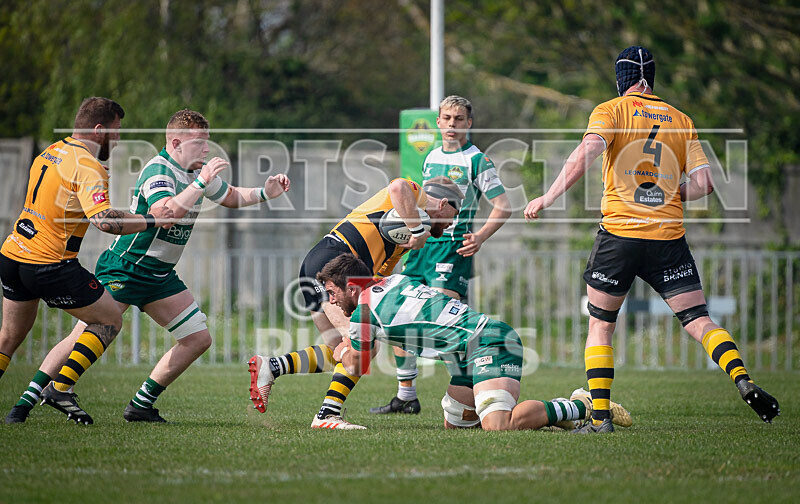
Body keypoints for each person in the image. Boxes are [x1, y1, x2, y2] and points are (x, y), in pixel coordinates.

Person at [523, 46, 780, 433]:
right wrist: (666, 191)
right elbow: (705, 184)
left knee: (601, 326)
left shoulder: (610, 110)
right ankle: (742, 378)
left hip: (620, 237)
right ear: (652, 79)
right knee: (699, 320)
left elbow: (586, 152)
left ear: (620, 80)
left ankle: (600, 418)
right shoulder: (681, 119)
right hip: (667, 239)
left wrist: (548, 196)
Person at [5, 109, 290, 424]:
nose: (207, 150)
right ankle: (25, 404)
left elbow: (232, 195)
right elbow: (165, 212)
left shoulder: (195, 172)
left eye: (207, 142)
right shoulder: (159, 170)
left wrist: (266, 192)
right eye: (200, 143)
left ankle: (140, 405)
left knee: (198, 338)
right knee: (84, 334)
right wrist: (201, 182)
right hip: (125, 267)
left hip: (159, 276)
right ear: (176, 142)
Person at [0, 97, 174, 423]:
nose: (119, 139)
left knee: (8, 338)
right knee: (109, 320)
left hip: (12, 255)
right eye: (116, 131)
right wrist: (151, 219)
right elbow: (105, 221)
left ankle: (21, 410)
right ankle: (61, 389)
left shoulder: (51, 151)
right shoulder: (87, 165)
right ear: (98, 130)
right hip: (50, 263)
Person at [318, 253, 631, 431]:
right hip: (464, 353)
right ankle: (548, 418)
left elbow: (357, 364)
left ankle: (582, 405)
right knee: (458, 425)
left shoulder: (364, 312)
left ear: (351, 287)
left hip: (489, 341)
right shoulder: (396, 279)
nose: (330, 300)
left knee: (498, 424)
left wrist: (341, 344)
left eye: (332, 292)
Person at [249, 176, 464, 429]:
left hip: (322, 262)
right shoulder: (417, 200)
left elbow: (378, 279)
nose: (451, 222)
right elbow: (397, 186)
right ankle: (326, 415)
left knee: (344, 352)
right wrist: (419, 231)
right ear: (444, 203)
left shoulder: (401, 242)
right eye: (454, 213)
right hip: (337, 261)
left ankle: (273, 367)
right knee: (361, 346)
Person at [371, 95, 512, 415]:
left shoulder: (478, 161)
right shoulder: (431, 157)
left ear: (469, 124)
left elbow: (504, 206)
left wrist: (480, 237)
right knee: (396, 312)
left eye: (458, 119)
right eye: (446, 119)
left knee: (447, 324)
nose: (452, 125)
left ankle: (472, 395)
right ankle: (406, 395)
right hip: (422, 247)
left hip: (452, 250)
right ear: (438, 122)